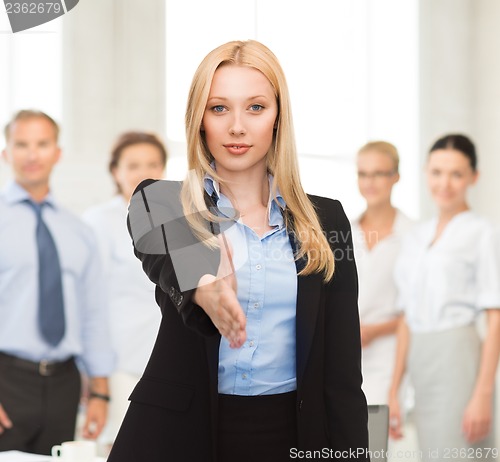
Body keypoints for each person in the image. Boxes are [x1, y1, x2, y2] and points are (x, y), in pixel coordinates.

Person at [107, 40, 369, 462]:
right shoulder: (165, 202)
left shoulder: (327, 221)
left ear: (278, 118)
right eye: (219, 108)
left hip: (293, 436)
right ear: (200, 120)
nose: (236, 127)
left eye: (256, 108)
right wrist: (205, 284)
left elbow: (341, 375)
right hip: (180, 436)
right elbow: (159, 239)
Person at [0, 110, 114, 455]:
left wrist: (100, 392)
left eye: (42, 144)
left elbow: (93, 312)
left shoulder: (78, 231)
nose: (32, 154)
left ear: (57, 153)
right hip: (6, 381)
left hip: (65, 384)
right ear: (6, 153)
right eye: (22, 144)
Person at [389, 134, 500, 461]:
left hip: (459, 358)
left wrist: (483, 393)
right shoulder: (415, 237)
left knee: (460, 453)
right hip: (421, 361)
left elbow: (495, 318)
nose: (445, 183)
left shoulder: (482, 232)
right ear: (426, 173)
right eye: (437, 172)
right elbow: (406, 318)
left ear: (473, 178)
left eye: (456, 174)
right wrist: (395, 389)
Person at [83, 132, 167, 446]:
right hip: (120, 361)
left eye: (152, 164)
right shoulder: (98, 222)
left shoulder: (177, 217)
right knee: (122, 446)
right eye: (133, 164)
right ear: (115, 171)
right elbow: (90, 300)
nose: (143, 172)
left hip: (166, 357)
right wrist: (93, 373)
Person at [351, 141, 413, 405]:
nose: (370, 182)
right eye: (363, 174)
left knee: (376, 441)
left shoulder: (413, 235)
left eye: (379, 173)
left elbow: (414, 312)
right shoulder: (344, 232)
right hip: (346, 353)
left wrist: (373, 331)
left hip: (390, 358)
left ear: (395, 177)